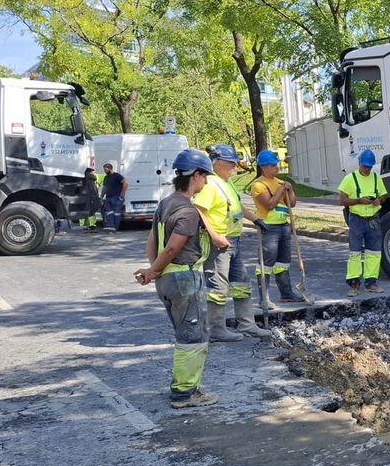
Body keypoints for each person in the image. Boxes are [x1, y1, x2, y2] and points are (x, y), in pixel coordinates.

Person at [133, 149, 218, 409]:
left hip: (168, 279)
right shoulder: (187, 211)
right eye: (205, 177)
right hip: (185, 278)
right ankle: (185, 393)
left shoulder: (166, 203)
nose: (205, 183)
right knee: (192, 335)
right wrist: (154, 270)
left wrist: (154, 270)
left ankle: (187, 386)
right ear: (197, 175)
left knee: (185, 331)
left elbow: (153, 241)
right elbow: (172, 248)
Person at [193, 144, 273, 342]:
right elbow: (198, 211)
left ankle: (247, 324)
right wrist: (215, 236)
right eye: (230, 162)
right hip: (219, 244)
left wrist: (255, 219)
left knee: (241, 284)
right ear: (216, 163)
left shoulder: (226, 183)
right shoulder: (210, 184)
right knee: (218, 288)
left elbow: (237, 206)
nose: (235, 166)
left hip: (233, 241)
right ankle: (216, 329)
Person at [250, 150, 305, 307]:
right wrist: (281, 190)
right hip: (269, 228)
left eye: (277, 165)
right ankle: (264, 298)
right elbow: (269, 204)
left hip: (284, 226)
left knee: (283, 262)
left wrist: (290, 189)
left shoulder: (279, 182)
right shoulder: (258, 185)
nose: (277, 168)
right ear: (264, 167)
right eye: (273, 166)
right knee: (266, 264)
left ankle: (286, 294)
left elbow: (291, 203)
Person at [337, 149, 387, 297]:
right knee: (355, 253)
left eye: (369, 167)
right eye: (365, 166)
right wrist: (359, 200)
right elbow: (342, 200)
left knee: (374, 252)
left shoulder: (376, 178)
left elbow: (384, 196)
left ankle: (371, 282)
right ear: (359, 163)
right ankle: (353, 284)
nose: (367, 169)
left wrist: (379, 200)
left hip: (373, 219)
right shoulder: (349, 179)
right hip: (357, 219)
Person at [100, 161, 129, 232]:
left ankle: (115, 228)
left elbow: (125, 182)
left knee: (116, 213)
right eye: (104, 169)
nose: (104, 171)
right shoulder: (106, 177)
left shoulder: (117, 176)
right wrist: (101, 196)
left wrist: (122, 193)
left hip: (116, 198)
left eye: (106, 169)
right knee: (109, 213)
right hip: (108, 197)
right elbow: (104, 188)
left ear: (110, 168)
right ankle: (111, 227)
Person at [79, 167, 101, 232]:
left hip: (83, 197)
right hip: (91, 197)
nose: (94, 172)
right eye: (93, 171)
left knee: (85, 211)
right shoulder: (92, 179)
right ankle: (92, 227)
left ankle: (85, 226)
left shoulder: (83, 178)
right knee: (92, 212)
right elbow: (93, 190)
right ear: (91, 172)